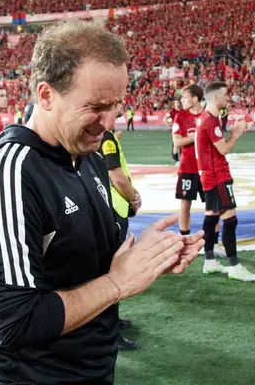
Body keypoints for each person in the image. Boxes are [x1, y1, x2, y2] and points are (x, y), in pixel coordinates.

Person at [0, 21, 203, 384]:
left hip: (92, 369)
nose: (108, 122)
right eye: (95, 106)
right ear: (45, 95)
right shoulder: (12, 176)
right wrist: (117, 284)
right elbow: (16, 321)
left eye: (117, 105)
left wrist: (147, 256)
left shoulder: (85, 154)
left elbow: (81, 258)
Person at [195, 81, 255, 281]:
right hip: (217, 176)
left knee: (211, 216)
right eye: (225, 94)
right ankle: (235, 266)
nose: (227, 98)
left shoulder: (206, 118)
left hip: (208, 174)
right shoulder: (209, 119)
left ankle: (209, 261)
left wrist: (233, 133)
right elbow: (223, 149)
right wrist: (237, 134)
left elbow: (217, 144)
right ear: (215, 97)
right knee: (230, 220)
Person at [98, 123, 142, 351]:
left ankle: (111, 322)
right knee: (112, 273)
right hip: (115, 209)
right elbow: (116, 175)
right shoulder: (106, 137)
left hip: (107, 208)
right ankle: (108, 331)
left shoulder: (102, 136)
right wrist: (133, 197)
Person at [173, 85, 205, 236]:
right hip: (187, 167)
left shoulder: (208, 115)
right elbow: (177, 142)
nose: (182, 100)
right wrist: (197, 135)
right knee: (185, 203)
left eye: (185, 97)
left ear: (195, 99)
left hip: (206, 167)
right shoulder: (180, 116)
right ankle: (184, 237)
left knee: (213, 205)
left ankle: (213, 241)